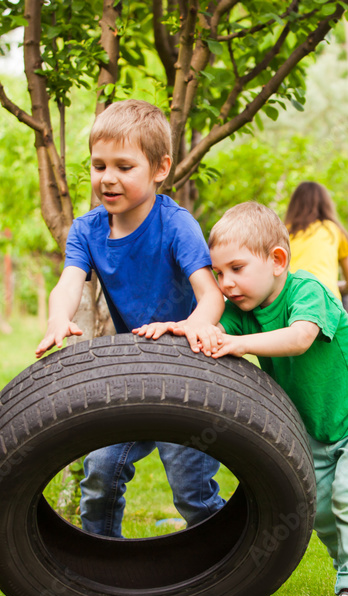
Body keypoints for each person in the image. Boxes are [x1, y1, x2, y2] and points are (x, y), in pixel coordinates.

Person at [164, 201, 348, 596]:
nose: (227, 283)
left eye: (236, 268)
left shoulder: (308, 289)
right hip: (316, 427)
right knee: (321, 510)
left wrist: (239, 345)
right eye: (219, 273)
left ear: (276, 261)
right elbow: (211, 333)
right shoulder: (243, 312)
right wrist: (183, 329)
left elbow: (300, 338)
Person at [34, 99, 226, 538]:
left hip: (189, 372)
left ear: (160, 168)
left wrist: (194, 325)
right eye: (98, 166)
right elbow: (68, 282)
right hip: (136, 371)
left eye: (124, 166)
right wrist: (58, 318)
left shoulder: (177, 226)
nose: (108, 178)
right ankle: (100, 558)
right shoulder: (87, 230)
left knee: (191, 493)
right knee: (100, 471)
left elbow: (210, 294)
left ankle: (223, 560)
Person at [284, 181, 348, 318]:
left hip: (290, 297)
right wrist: (335, 286)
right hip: (326, 299)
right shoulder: (333, 230)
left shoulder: (284, 232)